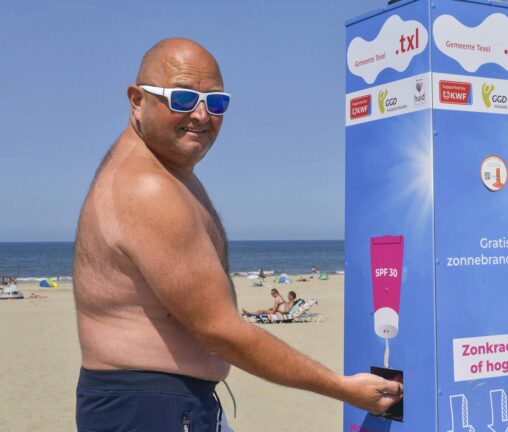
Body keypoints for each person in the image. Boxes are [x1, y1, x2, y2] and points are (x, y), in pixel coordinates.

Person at [72, 38, 401, 431]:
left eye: (216, 102)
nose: (201, 114)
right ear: (137, 100)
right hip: (148, 407)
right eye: (182, 98)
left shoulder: (167, 173)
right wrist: (343, 388)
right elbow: (219, 331)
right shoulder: (149, 187)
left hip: (167, 401)